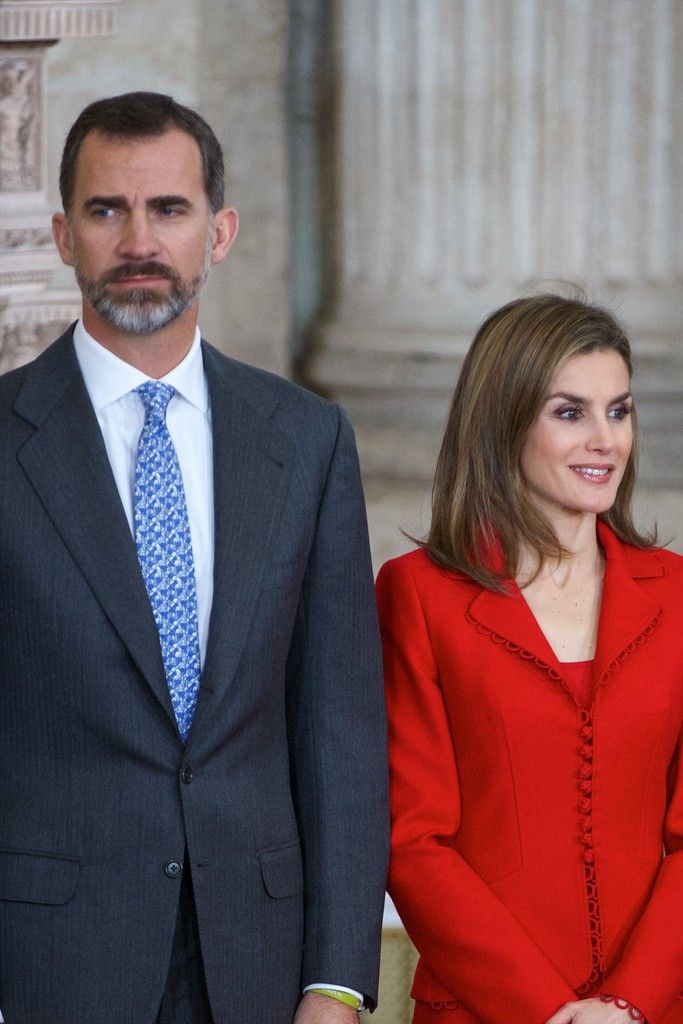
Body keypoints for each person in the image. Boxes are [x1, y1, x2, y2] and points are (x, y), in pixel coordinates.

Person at [0, 91, 389, 1024]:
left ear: (219, 232)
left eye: (168, 209)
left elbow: (338, 728)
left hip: (259, 964)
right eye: (107, 210)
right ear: (63, 236)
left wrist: (336, 981)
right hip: (50, 968)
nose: (139, 241)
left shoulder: (306, 439)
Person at [376, 295, 683, 1024]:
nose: (605, 440)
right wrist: (547, 1011)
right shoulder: (417, 594)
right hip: (484, 1008)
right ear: (503, 422)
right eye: (570, 412)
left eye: (618, 411)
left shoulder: (677, 596)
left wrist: (627, 1004)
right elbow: (411, 840)